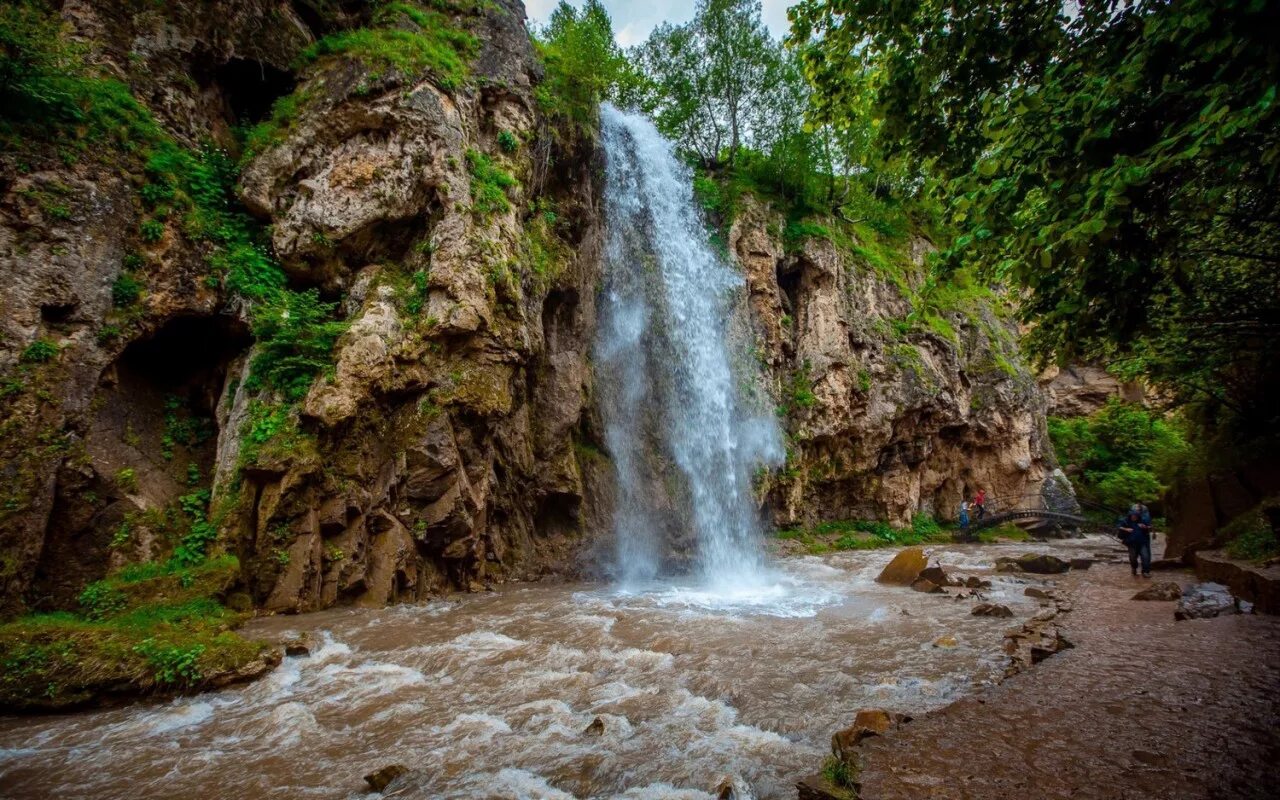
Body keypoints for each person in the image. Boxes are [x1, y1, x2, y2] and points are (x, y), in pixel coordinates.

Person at [1117, 507, 1152, 577]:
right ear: (1130, 515)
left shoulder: (1142, 520)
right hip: (1131, 543)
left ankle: (1145, 572)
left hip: (1143, 542)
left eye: (1135, 515)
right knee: (1133, 558)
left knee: (1145, 557)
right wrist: (1126, 529)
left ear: (1138, 516)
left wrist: (1145, 527)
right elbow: (1118, 526)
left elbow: (1150, 527)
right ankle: (1134, 568)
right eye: (1133, 515)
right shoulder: (1126, 521)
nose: (1134, 517)